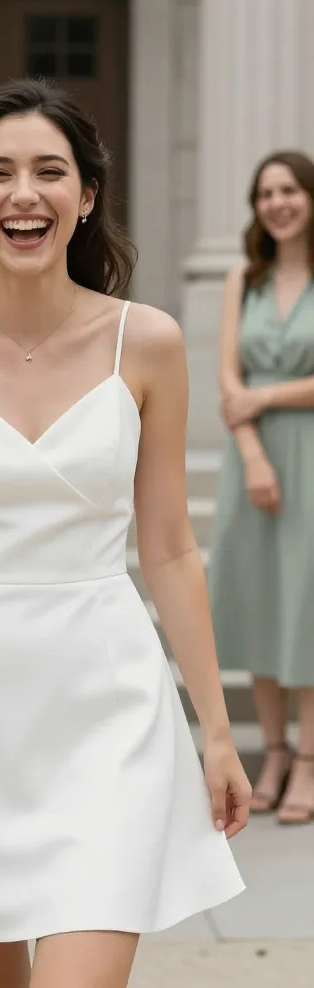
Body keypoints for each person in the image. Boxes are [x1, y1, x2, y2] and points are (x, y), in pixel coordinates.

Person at [0, 79, 247, 988]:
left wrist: (216, 728)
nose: (25, 193)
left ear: (87, 196)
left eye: (50, 172)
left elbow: (172, 545)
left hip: (107, 702)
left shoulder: (150, 342)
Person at [209, 150, 314, 825]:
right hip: (251, 463)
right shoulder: (240, 278)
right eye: (264, 193)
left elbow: (251, 392)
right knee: (258, 601)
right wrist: (251, 455)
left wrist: (265, 398)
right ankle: (273, 752)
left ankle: (310, 759)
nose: (276, 203)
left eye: (289, 190)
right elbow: (227, 382)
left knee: (306, 602)